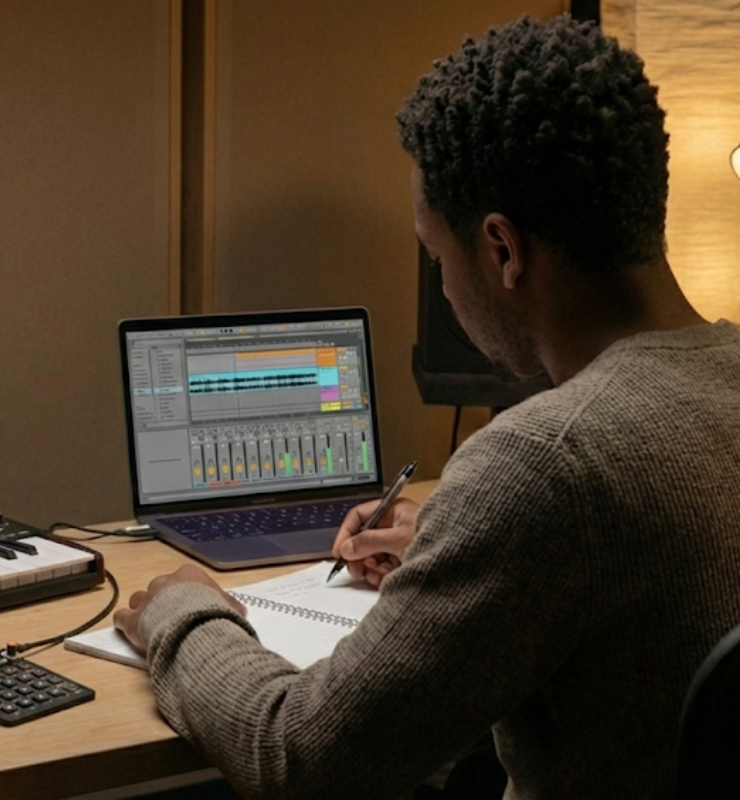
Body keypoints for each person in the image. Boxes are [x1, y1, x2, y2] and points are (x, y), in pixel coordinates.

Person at [114, 14, 740, 799]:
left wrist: (185, 613)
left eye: (436, 253)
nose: (443, 283)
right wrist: (463, 553)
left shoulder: (545, 464)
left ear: (502, 250)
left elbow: (300, 757)